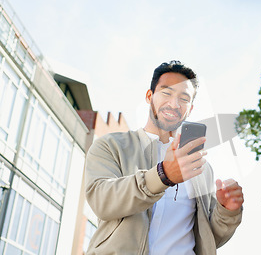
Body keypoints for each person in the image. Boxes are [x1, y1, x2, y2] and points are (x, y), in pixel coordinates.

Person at [85, 61, 243, 255]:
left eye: (184, 98)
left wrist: (227, 211)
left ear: (190, 109)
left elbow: (208, 238)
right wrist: (163, 175)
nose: (174, 104)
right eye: (166, 93)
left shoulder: (200, 167)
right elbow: (102, 201)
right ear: (149, 96)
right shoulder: (111, 146)